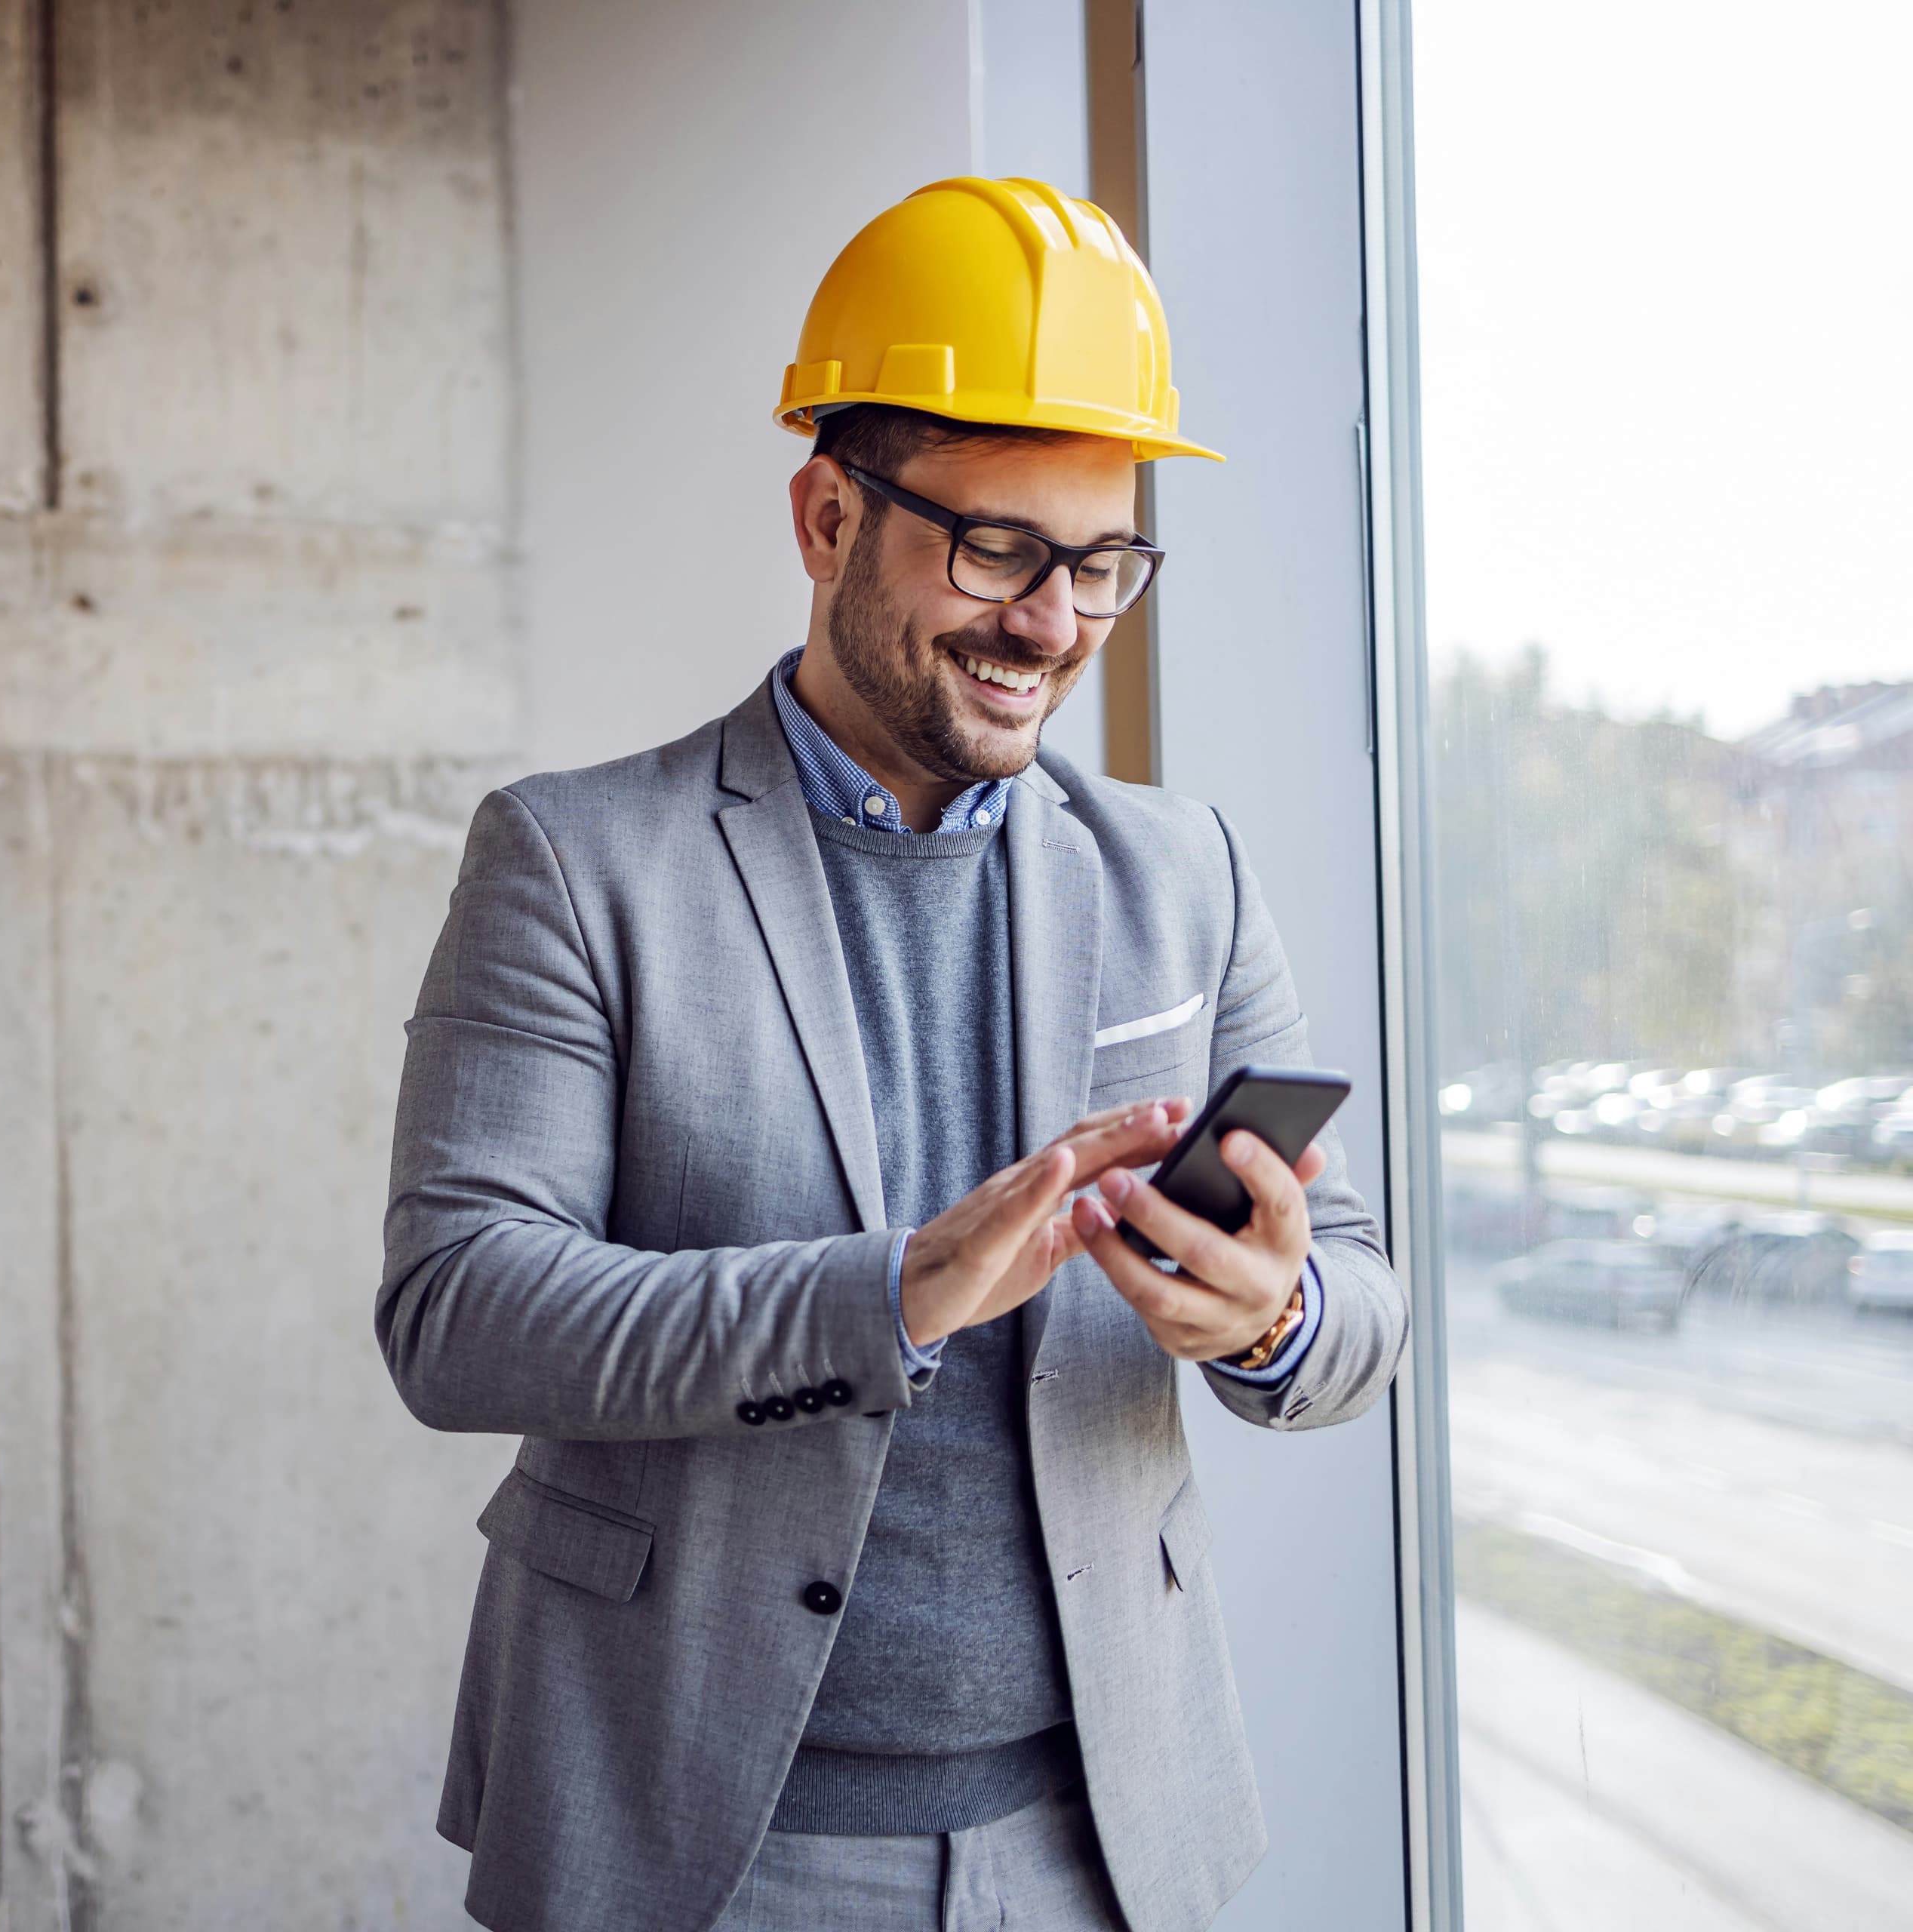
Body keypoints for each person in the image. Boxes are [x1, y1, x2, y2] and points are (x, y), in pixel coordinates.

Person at [374, 177, 1408, 1932]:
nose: (1054, 621)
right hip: (701, 1833)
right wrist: (893, 1293)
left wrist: (1273, 1313)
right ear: (827, 514)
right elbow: (458, 1311)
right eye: (997, 548)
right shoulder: (574, 858)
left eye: (1103, 563)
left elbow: (1360, 1299)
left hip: (1104, 1829)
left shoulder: (1187, 869)